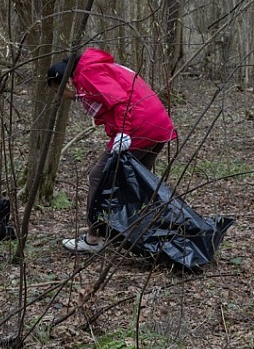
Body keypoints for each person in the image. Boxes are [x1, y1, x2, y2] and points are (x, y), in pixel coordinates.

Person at [48, 48, 177, 252]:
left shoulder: (87, 74)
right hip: (158, 125)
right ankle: (137, 233)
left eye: (59, 91)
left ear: (67, 81)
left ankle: (93, 238)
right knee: (134, 182)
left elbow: (120, 100)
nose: (62, 97)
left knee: (99, 177)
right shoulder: (98, 68)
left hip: (139, 126)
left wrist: (123, 132)